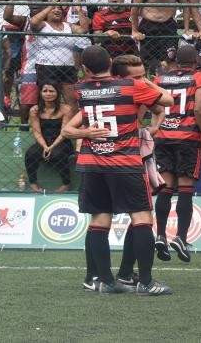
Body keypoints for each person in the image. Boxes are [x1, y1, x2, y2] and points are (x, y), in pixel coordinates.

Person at [64, 45, 174, 295]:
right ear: (111, 62)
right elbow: (167, 100)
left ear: (84, 68)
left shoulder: (80, 90)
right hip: (125, 162)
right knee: (142, 217)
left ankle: (104, 280)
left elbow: (73, 125)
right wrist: (143, 82)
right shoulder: (131, 86)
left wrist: (85, 133)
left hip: (93, 163)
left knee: (100, 220)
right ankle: (145, 282)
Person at [152, 45, 201, 263]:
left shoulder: (160, 79)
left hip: (163, 137)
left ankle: (160, 234)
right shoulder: (200, 77)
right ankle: (180, 237)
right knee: (186, 189)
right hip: (187, 138)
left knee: (166, 189)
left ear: (176, 61)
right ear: (196, 60)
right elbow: (198, 108)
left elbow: (153, 106)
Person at [129, 0, 186, 74]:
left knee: (170, 56)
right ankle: (151, 79)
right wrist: (134, 30)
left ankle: (168, 81)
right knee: (147, 59)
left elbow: (187, 7)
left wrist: (186, 28)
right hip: (148, 25)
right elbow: (134, 9)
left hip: (168, 24)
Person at [26, 83, 74, 193]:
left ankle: (66, 183)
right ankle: (33, 182)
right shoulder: (35, 110)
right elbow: (37, 132)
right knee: (31, 153)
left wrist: (52, 147)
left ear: (57, 93)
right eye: (45, 91)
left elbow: (64, 132)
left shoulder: (66, 109)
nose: (48, 94)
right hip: (43, 141)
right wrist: (45, 146)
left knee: (58, 154)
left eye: (51, 91)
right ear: (40, 93)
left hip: (62, 141)